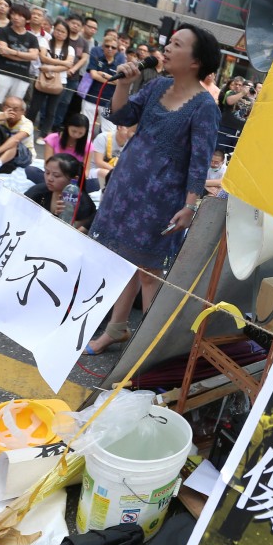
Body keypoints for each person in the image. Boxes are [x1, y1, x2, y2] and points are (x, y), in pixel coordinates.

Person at [84, 24, 220, 354]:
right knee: (126, 261)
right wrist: (126, 84)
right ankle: (117, 329)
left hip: (161, 199)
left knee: (149, 272)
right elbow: (120, 113)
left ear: (196, 62)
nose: (167, 48)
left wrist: (189, 205)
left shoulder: (205, 107)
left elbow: (199, 161)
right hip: (127, 186)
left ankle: (150, 350)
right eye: (169, 42)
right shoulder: (157, 84)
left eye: (177, 44)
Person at [0, 2, 38, 116]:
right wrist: (24, 56)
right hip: (3, 71)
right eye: (13, 14)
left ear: (27, 19)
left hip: (22, 75)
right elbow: (3, 51)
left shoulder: (32, 38)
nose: (15, 17)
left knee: (15, 105)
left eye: (19, 15)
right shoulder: (4, 31)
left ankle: (7, 129)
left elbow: (34, 56)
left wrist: (12, 52)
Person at [27, 18, 75, 141]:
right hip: (42, 79)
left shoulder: (70, 49)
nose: (59, 33)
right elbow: (42, 58)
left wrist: (50, 67)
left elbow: (69, 65)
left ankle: (43, 135)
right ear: (54, 30)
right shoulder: (45, 41)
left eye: (63, 31)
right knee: (34, 107)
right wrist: (62, 63)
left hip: (60, 82)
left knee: (51, 111)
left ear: (67, 34)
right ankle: (26, 130)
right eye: (58, 30)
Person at [25, 153, 96, 231]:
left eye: (56, 176)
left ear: (74, 179)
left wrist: (65, 216)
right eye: (47, 172)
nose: (49, 178)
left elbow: (68, 234)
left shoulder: (83, 204)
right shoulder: (38, 191)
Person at [81, 35, 122, 134]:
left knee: (109, 131)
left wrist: (104, 74)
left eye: (113, 47)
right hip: (91, 98)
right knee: (86, 126)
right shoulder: (96, 58)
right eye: (107, 46)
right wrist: (112, 79)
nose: (110, 49)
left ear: (117, 50)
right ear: (103, 47)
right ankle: (85, 148)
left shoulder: (119, 65)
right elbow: (94, 75)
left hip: (108, 103)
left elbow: (119, 82)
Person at [88, 123, 134, 189]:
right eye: (127, 128)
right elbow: (99, 162)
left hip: (115, 172)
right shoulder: (103, 137)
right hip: (94, 170)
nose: (129, 131)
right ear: (119, 127)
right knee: (108, 174)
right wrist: (116, 171)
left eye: (131, 130)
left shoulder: (130, 143)